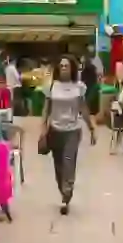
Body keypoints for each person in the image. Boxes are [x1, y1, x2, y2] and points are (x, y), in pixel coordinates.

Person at [41, 55, 97, 215]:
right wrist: (43, 128)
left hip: (73, 130)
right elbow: (46, 109)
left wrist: (91, 127)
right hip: (55, 129)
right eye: (61, 65)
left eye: (66, 65)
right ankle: (62, 189)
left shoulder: (79, 86)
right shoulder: (51, 86)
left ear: (72, 68)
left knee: (68, 161)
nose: (64, 68)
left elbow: (83, 109)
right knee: (58, 164)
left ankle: (67, 194)